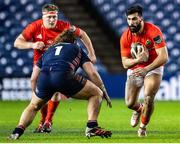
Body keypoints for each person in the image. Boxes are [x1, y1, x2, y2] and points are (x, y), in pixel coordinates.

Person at [9, 29, 112, 140]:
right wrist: (104, 91)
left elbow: (33, 78)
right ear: (74, 41)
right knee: (96, 93)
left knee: (33, 106)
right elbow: (92, 73)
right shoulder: (76, 48)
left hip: (44, 78)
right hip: (63, 75)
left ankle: (17, 131)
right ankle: (91, 127)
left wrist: (36, 93)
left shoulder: (48, 51)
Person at [14, 3, 97, 133]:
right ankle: (43, 120)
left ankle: (48, 121)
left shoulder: (64, 26)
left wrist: (91, 53)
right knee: (37, 93)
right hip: (41, 63)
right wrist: (32, 45)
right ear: (43, 17)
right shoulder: (34, 27)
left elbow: (82, 34)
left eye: (55, 16)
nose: (53, 20)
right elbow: (17, 42)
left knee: (56, 91)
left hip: (60, 65)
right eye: (49, 17)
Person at [120, 4, 168, 137]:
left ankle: (142, 127)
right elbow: (125, 63)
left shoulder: (153, 31)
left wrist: (146, 69)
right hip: (136, 67)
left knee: (149, 96)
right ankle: (139, 109)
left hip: (153, 67)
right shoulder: (125, 36)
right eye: (129, 19)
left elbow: (164, 56)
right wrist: (138, 61)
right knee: (129, 103)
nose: (131, 22)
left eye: (134, 19)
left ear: (141, 18)